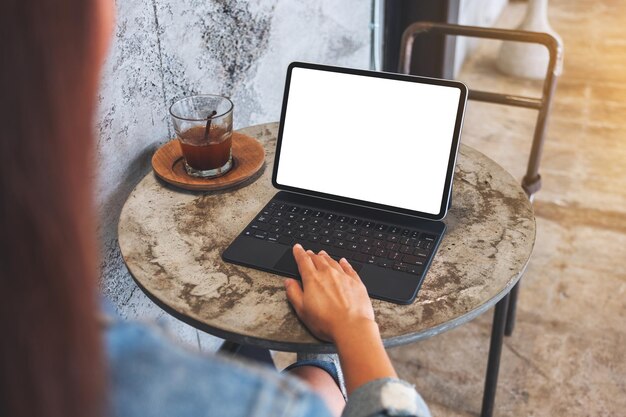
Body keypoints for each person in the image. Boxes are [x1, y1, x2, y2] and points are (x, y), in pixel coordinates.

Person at [0, 1, 431, 417]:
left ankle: (272, 355)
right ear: (92, 38)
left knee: (278, 356)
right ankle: (315, 362)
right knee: (318, 374)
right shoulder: (273, 408)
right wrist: (355, 327)